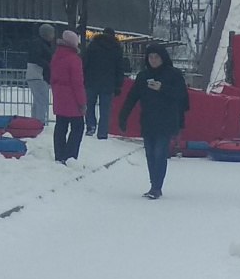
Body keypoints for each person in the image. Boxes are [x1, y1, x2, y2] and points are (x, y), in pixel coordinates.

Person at [117, 43, 190, 199]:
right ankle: (153, 184)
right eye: (150, 57)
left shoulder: (173, 74)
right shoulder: (143, 76)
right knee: (150, 154)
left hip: (166, 120)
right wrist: (123, 116)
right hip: (148, 120)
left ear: (163, 58)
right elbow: (132, 97)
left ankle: (157, 187)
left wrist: (162, 88)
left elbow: (182, 96)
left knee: (159, 153)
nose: (153, 60)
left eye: (156, 57)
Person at [49, 30, 87, 163]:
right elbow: (77, 83)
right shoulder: (74, 59)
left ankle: (59, 155)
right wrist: (82, 103)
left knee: (61, 125)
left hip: (59, 96)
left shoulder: (56, 56)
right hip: (72, 98)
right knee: (78, 127)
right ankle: (70, 156)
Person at [81, 27, 127, 139]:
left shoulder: (93, 45)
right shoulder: (116, 48)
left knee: (90, 105)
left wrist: (84, 78)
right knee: (105, 109)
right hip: (108, 83)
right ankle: (103, 132)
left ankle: (90, 126)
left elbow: (85, 63)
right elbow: (119, 69)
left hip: (91, 81)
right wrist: (118, 85)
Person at [25, 22, 55, 123]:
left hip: (37, 75)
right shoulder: (40, 44)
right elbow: (36, 57)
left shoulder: (40, 43)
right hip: (38, 75)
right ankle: (40, 122)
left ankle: (35, 121)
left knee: (38, 100)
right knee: (42, 100)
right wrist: (48, 65)